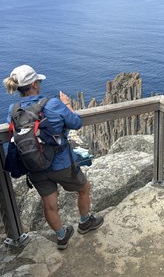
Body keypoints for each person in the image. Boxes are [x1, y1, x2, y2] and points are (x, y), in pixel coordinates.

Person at [3, 64, 103, 250]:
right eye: (38, 81)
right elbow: (76, 122)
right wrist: (67, 105)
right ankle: (84, 222)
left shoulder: (13, 109)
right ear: (34, 84)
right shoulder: (53, 104)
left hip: (35, 166)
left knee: (49, 204)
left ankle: (61, 236)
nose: (39, 84)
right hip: (61, 164)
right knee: (84, 188)